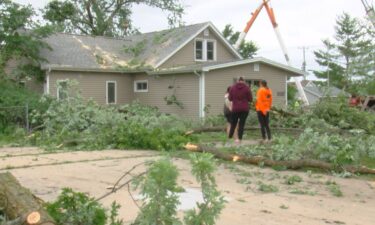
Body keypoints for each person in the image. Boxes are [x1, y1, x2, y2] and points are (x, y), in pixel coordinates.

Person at [228, 77, 252, 143]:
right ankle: (240, 139)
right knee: (242, 124)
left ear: (238, 81)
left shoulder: (232, 88)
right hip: (244, 109)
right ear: (243, 81)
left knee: (233, 124)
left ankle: (230, 138)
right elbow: (250, 99)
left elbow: (230, 98)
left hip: (235, 109)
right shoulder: (247, 88)